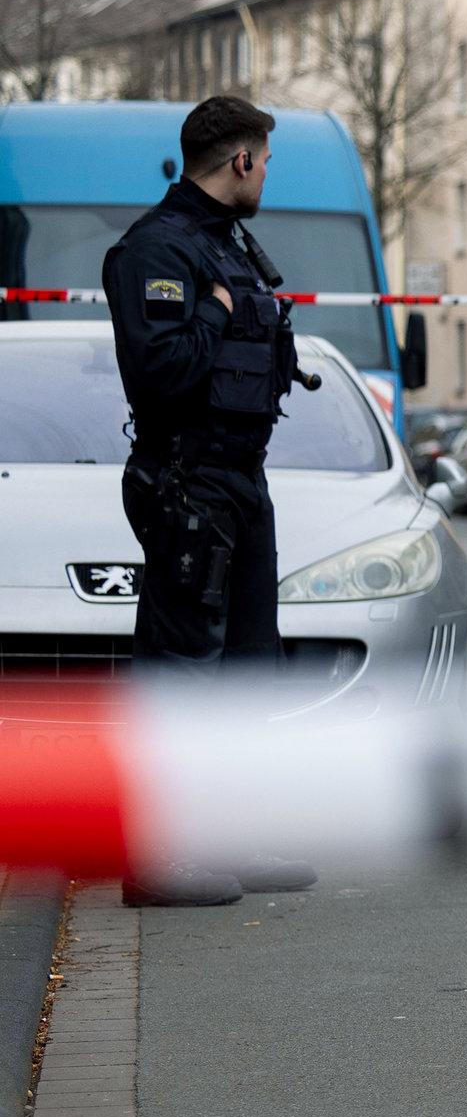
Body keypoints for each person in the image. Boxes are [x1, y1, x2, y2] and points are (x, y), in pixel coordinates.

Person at [99, 94, 319, 909]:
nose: (266, 175)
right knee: (183, 670)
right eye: (265, 161)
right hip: (187, 481)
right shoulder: (156, 249)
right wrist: (214, 312)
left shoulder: (228, 245)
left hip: (240, 480)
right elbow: (161, 372)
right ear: (241, 160)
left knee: (249, 668)